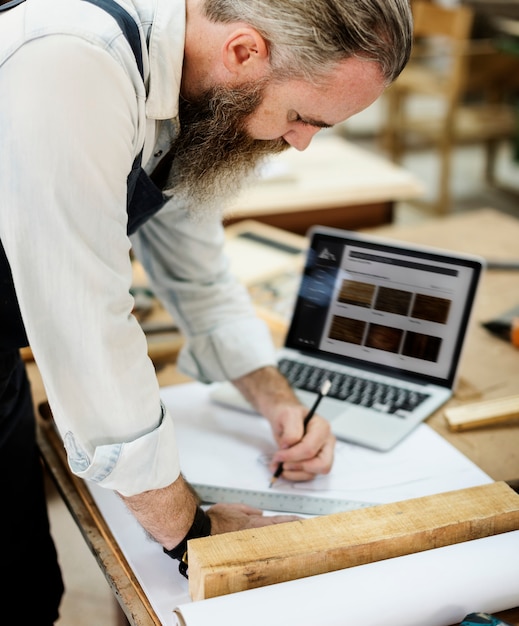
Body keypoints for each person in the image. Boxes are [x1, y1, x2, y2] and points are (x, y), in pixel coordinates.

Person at [0, 0, 413, 621]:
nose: (300, 143)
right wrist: (192, 534)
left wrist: (275, 397)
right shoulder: (73, 65)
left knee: (25, 590)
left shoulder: (188, 82)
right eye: (304, 118)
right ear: (244, 51)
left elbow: (197, 271)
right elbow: (87, 327)